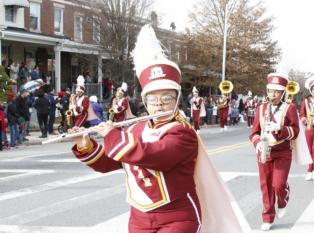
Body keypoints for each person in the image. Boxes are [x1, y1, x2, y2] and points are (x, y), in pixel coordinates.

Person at [69, 24, 246, 233]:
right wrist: (87, 146)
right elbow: (111, 163)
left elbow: (155, 156)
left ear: (177, 99)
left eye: (166, 98)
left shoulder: (183, 132)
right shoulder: (135, 130)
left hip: (178, 217)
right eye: (152, 99)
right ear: (145, 101)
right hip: (139, 217)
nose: (159, 104)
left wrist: (112, 135)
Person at [249, 73, 300, 231]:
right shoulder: (261, 108)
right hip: (264, 151)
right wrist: (257, 143)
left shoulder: (289, 108)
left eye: (277, 91)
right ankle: (268, 217)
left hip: (283, 151)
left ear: (282, 93)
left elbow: (296, 131)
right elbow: (254, 133)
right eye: (271, 91)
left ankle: (283, 200)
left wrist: (281, 128)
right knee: (266, 186)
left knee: (278, 184)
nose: (273, 94)